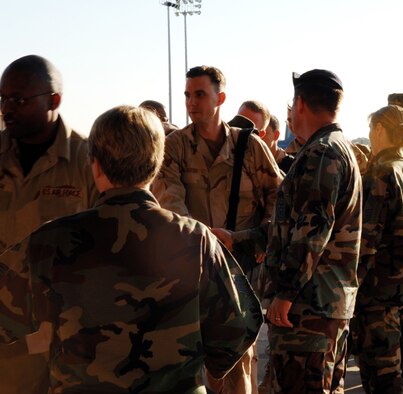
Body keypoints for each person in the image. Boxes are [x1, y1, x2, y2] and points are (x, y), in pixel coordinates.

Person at [0, 105, 262, 392]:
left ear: (95, 165)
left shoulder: (50, 241)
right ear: (158, 162)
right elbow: (239, 328)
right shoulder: (195, 239)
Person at [151, 65, 282, 394]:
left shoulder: (249, 148)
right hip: (191, 277)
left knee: (238, 373)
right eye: (187, 95)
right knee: (189, 374)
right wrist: (204, 240)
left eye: (199, 94)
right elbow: (170, 202)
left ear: (220, 98)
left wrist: (247, 239)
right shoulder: (176, 147)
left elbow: (280, 202)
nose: (191, 102)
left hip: (237, 281)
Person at [0, 54, 99, 394]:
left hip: (69, 338)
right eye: (3, 99)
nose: (7, 108)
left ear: (54, 100)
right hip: (8, 339)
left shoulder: (87, 160)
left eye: (19, 100)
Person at [264, 69, 362, 394]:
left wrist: (285, 293)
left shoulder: (321, 153)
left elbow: (311, 230)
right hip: (326, 304)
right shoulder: (337, 147)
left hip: (309, 310)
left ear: (300, 103)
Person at [353, 105, 403, 393]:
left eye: (372, 129)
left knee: (383, 375)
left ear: (380, 130)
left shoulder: (380, 175)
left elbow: (366, 242)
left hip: (381, 295)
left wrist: (351, 288)